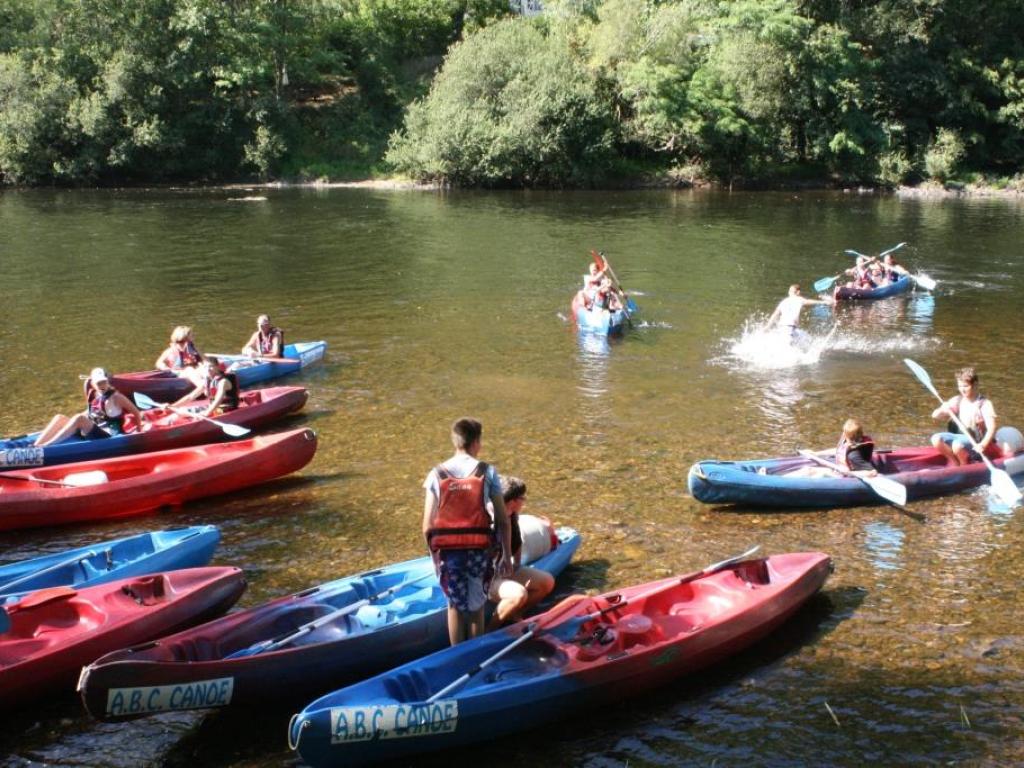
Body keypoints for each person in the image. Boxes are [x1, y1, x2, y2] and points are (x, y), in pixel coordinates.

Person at [423, 418, 512, 645]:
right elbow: (503, 520)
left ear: (455, 441)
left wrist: (434, 559)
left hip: (449, 552)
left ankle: (456, 656)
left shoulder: (436, 473)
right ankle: (474, 655)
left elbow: (427, 526)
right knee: (476, 606)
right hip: (478, 550)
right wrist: (506, 554)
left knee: (454, 605)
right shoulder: (487, 472)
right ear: (477, 442)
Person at [487, 477, 556, 629]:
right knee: (519, 594)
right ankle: (489, 631)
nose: (524, 501)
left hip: (502, 569)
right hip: (484, 577)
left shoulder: (511, 515)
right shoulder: (487, 518)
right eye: (522, 498)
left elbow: (516, 542)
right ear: (513, 501)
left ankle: (514, 616)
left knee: (547, 582)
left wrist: (516, 565)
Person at [34, 368, 145, 447]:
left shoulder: (117, 397)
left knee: (79, 418)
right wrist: (71, 422)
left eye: (104, 382)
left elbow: (135, 412)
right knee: (60, 417)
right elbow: (91, 412)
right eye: (99, 383)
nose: (102, 386)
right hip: (94, 430)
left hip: (108, 437)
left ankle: (47, 446)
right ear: (93, 384)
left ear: (107, 381)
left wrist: (139, 431)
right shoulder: (96, 396)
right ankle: (36, 446)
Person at [930, 366, 997, 466]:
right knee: (935, 438)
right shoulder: (957, 400)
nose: (962, 389)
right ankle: (954, 461)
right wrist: (941, 410)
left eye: (965, 386)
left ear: (975, 384)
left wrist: (983, 445)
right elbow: (935, 416)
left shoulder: (985, 404)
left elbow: (992, 427)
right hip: (959, 437)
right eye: (960, 386)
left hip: (976, 442)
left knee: (957, 445)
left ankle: (964, 465)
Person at [786, 418, 878, 478]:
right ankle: (779, 480)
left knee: (817, 474)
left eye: (844, 433)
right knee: (807, 469)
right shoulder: (850, 443)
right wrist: (816, 453)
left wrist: (849, 473)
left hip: (848, 477)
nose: (843, 435)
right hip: (840, 473)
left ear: (849, 436)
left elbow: (872, 472)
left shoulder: (854, 455)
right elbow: (839, 451)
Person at [764, 284, 834, 344]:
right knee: (789, 347)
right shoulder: (799, 299)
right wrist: (824, 302)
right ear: (798, 292)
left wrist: (767, 326)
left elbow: (774, 315)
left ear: (789, 292)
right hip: (789, 329)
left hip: (783, 327)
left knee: (807, 338)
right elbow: (809, 301)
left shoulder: (783, 301)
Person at [171, 356, 240, 416]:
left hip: (226, 408)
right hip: (213, 408)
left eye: (211, 366)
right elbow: (191, 396)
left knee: (183, 412)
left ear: (217, 367)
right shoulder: (207, 381)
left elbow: (218, 400)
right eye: (205, 367)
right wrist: (173, 406)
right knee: (181, 410)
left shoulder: (223, 381)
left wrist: (207, 412)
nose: (208, 369)